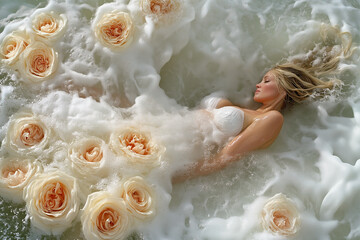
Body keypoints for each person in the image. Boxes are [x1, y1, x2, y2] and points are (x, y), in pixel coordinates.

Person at [172, 25, 353, 183]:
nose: (259, 84)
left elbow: (224, 158)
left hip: (177, 152)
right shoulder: (245, 111)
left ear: (283, 90)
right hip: (169, 128)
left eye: (267, 81)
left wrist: (174, 177)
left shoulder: (272, 119)